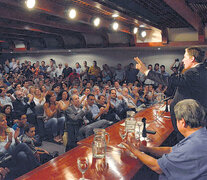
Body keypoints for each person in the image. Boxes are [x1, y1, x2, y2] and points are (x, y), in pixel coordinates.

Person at [134, 47, 207, 142]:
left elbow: (170, 81)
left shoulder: (193, 73)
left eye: (185, 57)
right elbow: (189, 89)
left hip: (189, 122)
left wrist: (146, 71)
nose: (183, 60)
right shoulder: (201, 71)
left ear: (192, 59)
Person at [123, 99, 207, 180]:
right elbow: (171, 150)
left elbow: (157, 167)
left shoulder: (192, 146)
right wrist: (145, 149)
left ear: (182, 122)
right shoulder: (200, 134)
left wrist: (133, 150)